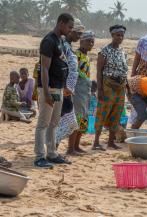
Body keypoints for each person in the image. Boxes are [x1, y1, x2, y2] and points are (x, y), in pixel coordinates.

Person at [34, 13, 74, 168]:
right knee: (43, 124)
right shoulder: (48, 41)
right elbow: (44, 69)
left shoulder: (60, 40)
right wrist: (46, 92)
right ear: (61, 23)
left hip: (58, 88)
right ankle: (39, 157)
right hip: (49, 88)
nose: (70, 30)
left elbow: (60, 65)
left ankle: (52, 153)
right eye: (69, 27)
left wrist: (64, 87)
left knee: (54, 123)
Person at [92, 25, 128, 151]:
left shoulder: (123, 52)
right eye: (117, 35)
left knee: (116, 113)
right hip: (108, 85)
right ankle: (96, 141)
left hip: (121, 86)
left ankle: (111, 142)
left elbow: (124, 71)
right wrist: (100, 89)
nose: (120, 37)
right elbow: (99, 71)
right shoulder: (104, 51)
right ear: (112, 35)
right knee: (103, 112)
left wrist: (127, 88)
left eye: (122, 35)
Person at [55, 19, 85, 154]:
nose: (79, 37)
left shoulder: (68, 46)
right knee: (63, 121)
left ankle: (52, 148)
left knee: (69, 122)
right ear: (70, 30)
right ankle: (52, 150)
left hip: (68, 91)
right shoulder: (62, 46)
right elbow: (59, 68)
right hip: (62, 89)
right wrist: (65, 87)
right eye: (77, 33)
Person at [64, 30, 94, 155]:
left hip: (85, 91)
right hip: (77, 90)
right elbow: (72, 74)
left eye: (92, 42)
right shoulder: (76, 55)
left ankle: (76, 146)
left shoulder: (86, 56)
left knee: (83, 118)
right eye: (88, 41)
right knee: (77, 118)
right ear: (81, 41)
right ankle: (71, 148)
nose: (91, 44)